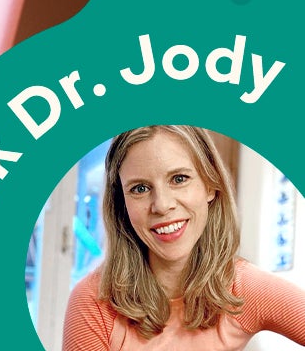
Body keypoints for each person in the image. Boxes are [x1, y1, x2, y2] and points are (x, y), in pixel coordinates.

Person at [63, 125, 305, 350]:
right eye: (140, 188)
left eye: (179, 179)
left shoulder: (243, 288)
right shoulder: (92, 302)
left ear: (210, 185)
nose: (162, 205)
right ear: (122, 204)